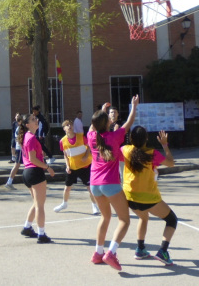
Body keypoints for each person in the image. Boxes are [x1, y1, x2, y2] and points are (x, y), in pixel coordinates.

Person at [88, 95, 139, 271]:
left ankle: (98, 253)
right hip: (110, 183)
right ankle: (111, 252)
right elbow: (129, 122)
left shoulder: (91, 136)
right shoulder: (114, 136)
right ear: (108, 122)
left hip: (94, 184)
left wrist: (102, 111)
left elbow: (93, 126)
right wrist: (134, 106)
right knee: (124, 220)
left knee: (105, 217)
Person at [122, 127, 177, 266]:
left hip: (129, 197)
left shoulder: (125, 150)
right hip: (148, 198)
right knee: (172, 220)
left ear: (131, 139)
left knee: (143, 217)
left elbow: (114, 149)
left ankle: (140, 249)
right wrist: (165, 145)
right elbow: (171, 163)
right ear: (146, 139)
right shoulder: (152, 153)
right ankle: (163, 251)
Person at [18, 113, 56, 243]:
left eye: (36, 118)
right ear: (27, 124)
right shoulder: (31, 138)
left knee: (37, 203)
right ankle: (41, 234)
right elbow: (33, 159)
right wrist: (47, 167)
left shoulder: (27, 137)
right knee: (40, 205)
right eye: (33, 119)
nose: (37, 120)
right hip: (34, 172)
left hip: (28, 173)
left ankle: (27, 227)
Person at [54, 120, 99, 215]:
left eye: (71, 124)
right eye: (67, 125)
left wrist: (86, 156)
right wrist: (67, 166)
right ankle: (64, 204)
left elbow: (89, 146)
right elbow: (65, 155)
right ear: (64, 128)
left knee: (90, 187)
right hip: (72, 167)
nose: (69, 126)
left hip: (85, 166)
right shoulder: (62, 141)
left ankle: (94, 205)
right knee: (67, 188)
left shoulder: (81, 136)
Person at [4, 114, 24, 190]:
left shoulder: (20, 128)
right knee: (17, 165)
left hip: (20, 149)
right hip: (21, 149)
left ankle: (9, 182)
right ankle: (9, 182)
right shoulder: (20, 129)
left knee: (25, 165)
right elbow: (20, 140)